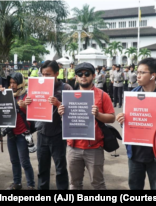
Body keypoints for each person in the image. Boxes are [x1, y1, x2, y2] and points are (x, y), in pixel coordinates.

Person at [116, 57, 156, 190]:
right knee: (134, 186)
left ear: (153, 75)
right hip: (135, 153)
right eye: (137, 72)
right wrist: (123, 120)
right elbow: (129, 123)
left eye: (142, 73)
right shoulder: (132, 95)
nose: (137, 75)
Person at [58, 62, 115, 190]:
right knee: (74, 184)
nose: (83, 76)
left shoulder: (102, 95)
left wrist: (98, 114)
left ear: (93, 76)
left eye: (87, 74)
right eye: (80, 74)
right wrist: (61, 113)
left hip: (94, 148)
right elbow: (67, 120)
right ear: (76, 77)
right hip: (73, 147)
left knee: (98, 185)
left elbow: (112, 118)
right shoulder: (69, 96)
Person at [25, 60, 72, 190]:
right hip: (42, 133)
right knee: (42, 167)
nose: (45, 77)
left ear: (57, 73)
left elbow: (73, 112)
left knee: (60, 167)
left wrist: (58, 103)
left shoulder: (65, 88)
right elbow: (28, 107)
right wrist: (27, 102)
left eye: (48, 74)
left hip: (58, 134)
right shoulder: (36, 87)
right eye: (43, 74)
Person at [4, 72, 36, 190]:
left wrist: (26, 106)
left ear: (21, 83)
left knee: (25, 162)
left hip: (22, 134)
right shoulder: (6, 95)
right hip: (11, 134)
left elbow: (34, 115)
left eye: (15, 82)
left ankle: (30, 185)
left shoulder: (26, 96)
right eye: (10, 82)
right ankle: (17, 183)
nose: (12, 85)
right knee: (14, 161)